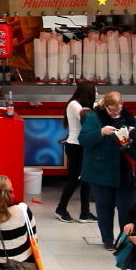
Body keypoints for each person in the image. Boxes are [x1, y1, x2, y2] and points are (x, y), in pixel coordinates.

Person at [79, 90, 136, 249]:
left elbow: (135, 141)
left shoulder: (128, 118)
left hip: (124, 170)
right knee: (104, 207)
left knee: (126, 207)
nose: (115, 113)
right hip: (101, 170)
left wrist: (131, 136)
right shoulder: (94, 118)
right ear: (106, 107)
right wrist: (101, 132)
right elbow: (83, 139)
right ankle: (108, 239)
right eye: (112, 110)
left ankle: (125, 239)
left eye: (118, 110)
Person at [55, 81, 98, 222]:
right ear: (87, 92)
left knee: (87, 179)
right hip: (75, 146)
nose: (97, 94)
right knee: (74, 179)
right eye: (95, 91)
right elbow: (87, 119)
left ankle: (85, 213)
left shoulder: (89, 105)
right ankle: (60, 209)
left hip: (85, 145)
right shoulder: (74, 105)